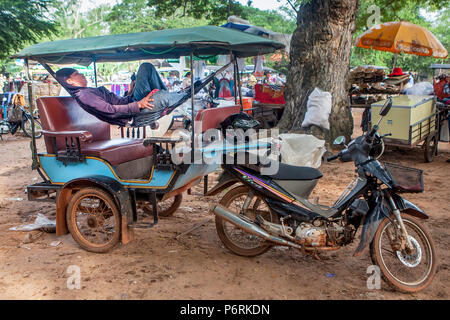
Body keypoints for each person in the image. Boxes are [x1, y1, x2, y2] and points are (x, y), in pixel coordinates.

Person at [55, 67, 156, 127]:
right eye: (77, 74)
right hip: (132, 115)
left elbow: (118, 102)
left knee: (146, 68)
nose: (82, 74)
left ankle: (159, 110)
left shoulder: (88, 91)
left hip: (132, 102)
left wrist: (130, 91)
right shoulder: (84, 95)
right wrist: (138, 105)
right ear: (69, 81)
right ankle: (160, 112)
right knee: (164, 95)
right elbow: (111, 111)